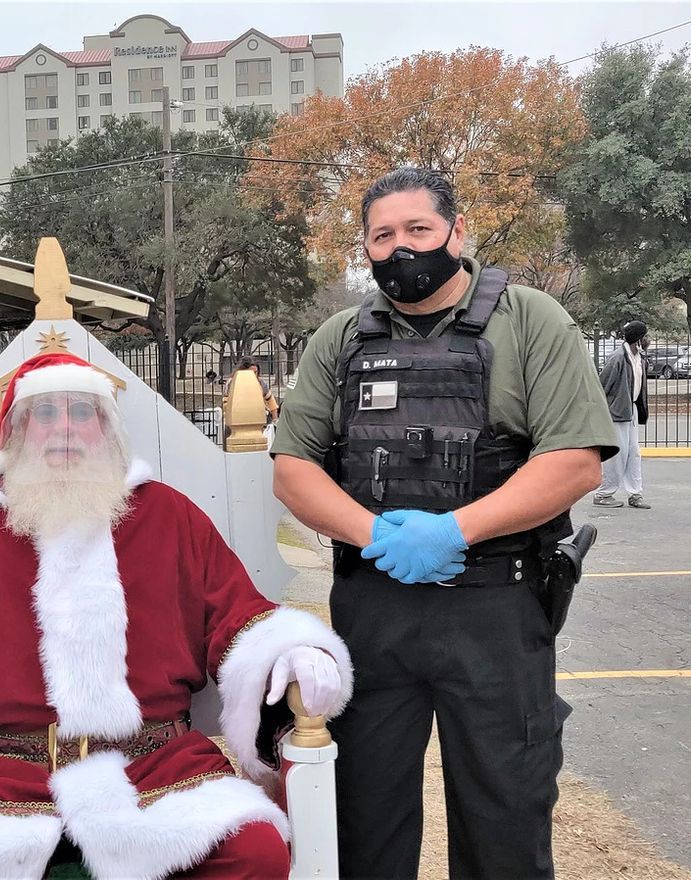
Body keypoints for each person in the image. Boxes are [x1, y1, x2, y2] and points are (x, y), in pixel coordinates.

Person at [0, 351, 354, 880]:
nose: (64, 429)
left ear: (107, 430)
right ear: (15, 433)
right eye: (44, 414)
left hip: (159, 765)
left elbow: (238, 615)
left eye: (82, 412)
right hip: (7, 774)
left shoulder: (167, 515)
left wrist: (290, 650)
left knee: (253, 853)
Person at [269, 168, 615, 879]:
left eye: (418, 230)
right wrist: (378, 536)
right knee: (364, 815)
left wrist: (453, 531)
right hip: (375, 606)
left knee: (504, 814)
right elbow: (293, 469)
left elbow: (576, 462)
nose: (401, 249)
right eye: (382, 236)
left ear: (457, 233)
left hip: (496, 606)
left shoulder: (531, 321)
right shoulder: (341, 339)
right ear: (364, 248)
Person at [594, 321, 651, 509]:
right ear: (638, 339)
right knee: (617, 455)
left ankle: (635, 494)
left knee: (633, 453)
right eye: (646, 336)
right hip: (617, 412)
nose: (648, 340)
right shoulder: (618, 358)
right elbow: (602, 386)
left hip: (631, 410)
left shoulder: (640, 358)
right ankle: (603, 494)